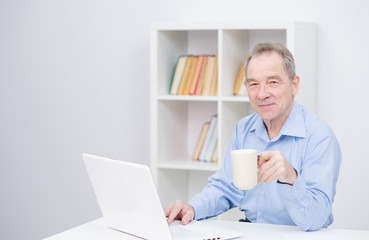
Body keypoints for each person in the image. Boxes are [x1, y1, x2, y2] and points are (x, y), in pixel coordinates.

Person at [164, 42, 342, 231]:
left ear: (294, 85)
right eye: (254, 84)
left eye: (273, 82)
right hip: (251, 232)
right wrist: (192, 208)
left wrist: (291, 178)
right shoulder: (244, 128)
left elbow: (316, 219)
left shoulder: (320, 136)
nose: (262, 94)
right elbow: (225, 187)